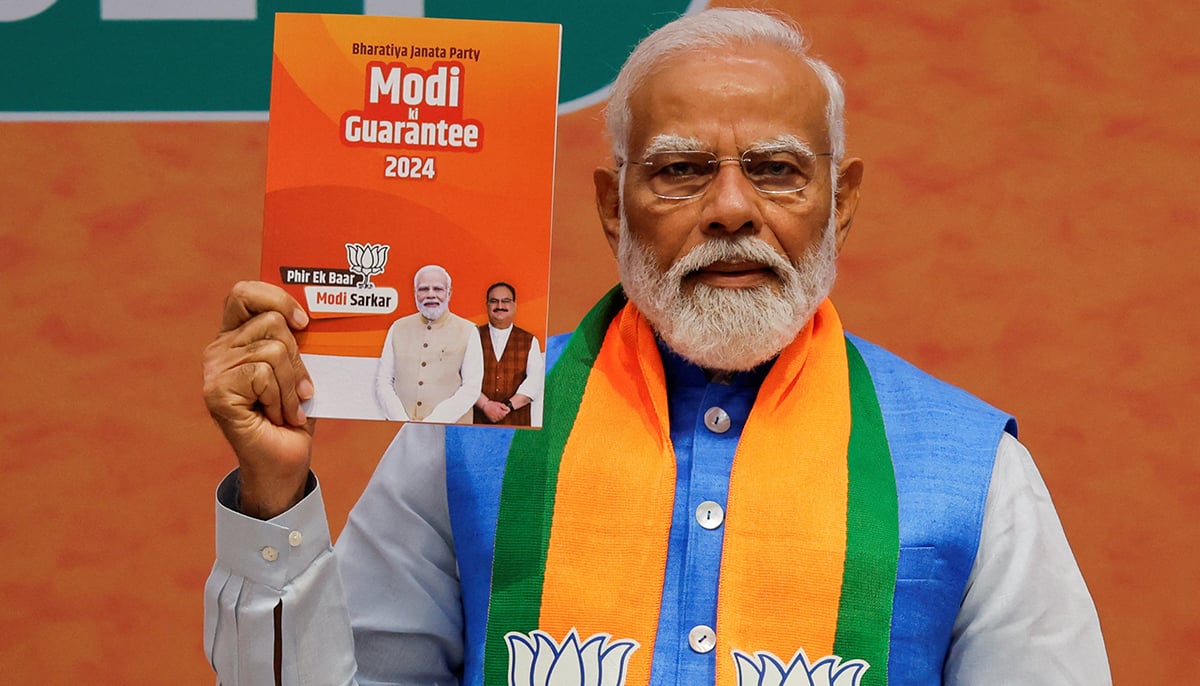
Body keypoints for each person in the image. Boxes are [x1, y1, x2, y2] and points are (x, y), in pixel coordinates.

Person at [201, 8, 1111, 685]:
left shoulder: (976, 470)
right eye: (680, 170)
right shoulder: (471, 427)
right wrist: (273, 497)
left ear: (842, 202)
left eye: (777, 170)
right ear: (611, 205)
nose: (729, 209)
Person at [374, 264, 483, 423]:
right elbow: (383, 381)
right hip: (402, 429)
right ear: (415, 293)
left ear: (449, 293)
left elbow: (471, 388)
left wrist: (432, 422)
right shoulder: (398, 328)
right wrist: (401, 421)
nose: (430, 295)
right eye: (423, 289)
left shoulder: (468, 331)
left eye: (438, 289)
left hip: (450, 431)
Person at [473, 282, 544, 426]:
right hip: (475, 422)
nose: (500, 306)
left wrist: (507, 407)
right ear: (487, 305)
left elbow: (535, 381)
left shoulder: (529, 340)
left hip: (516, 425)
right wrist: (485, 405)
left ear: (514, 305)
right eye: (494, 301)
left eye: (506, 301)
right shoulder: (472, 337)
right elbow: (462, 379)